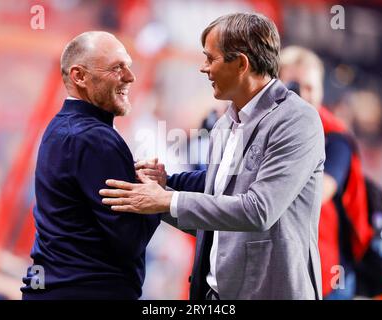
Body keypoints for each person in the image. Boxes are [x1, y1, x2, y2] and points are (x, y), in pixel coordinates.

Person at [100, 13, 325, 300]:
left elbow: (258, 210)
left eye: (210, 58)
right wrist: (163, 186)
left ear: (241, 63)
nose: (203, 69)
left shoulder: (297, 120)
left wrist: (167, 199)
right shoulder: (225, 122)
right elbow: (216, 199)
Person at [21, 31, 160, 300]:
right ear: (79, 76)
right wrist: (155, 198)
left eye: (129, 66)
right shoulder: (96, 139)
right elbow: (129, 241)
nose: (130, 77)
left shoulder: (58, 127)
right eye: (117, 67)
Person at [279, 46, 373, 299]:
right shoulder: (263, 128)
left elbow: (318, 193)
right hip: (285, 269)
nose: (303, 95)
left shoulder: (335, 138)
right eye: (294, 85)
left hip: (327, 275)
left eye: (310, 87)